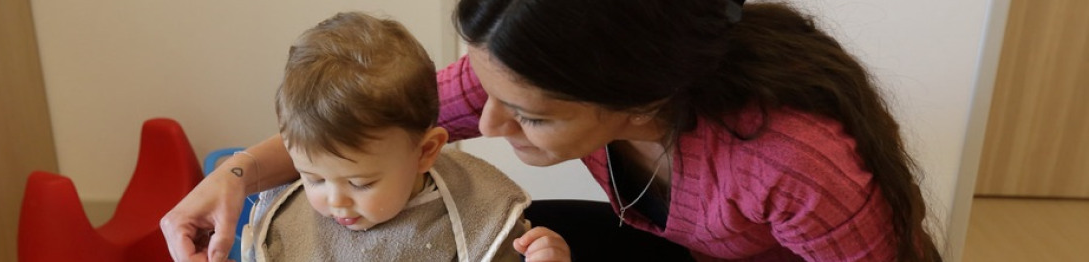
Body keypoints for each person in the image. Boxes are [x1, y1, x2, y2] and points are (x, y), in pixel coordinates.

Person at [163, 0, 943, 261]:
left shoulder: (793, 163)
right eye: (486, 91)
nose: (489, 124)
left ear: (637, 100)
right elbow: (369, 126)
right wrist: (231, 178)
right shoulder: (525, 67)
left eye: (530, 116)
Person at [174, 12, 567, 262]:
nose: (334, 200)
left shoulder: (476, 210)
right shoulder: (294, 222)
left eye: (361, 183)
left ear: (426, 151)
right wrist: (234, 176)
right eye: (312, 178)